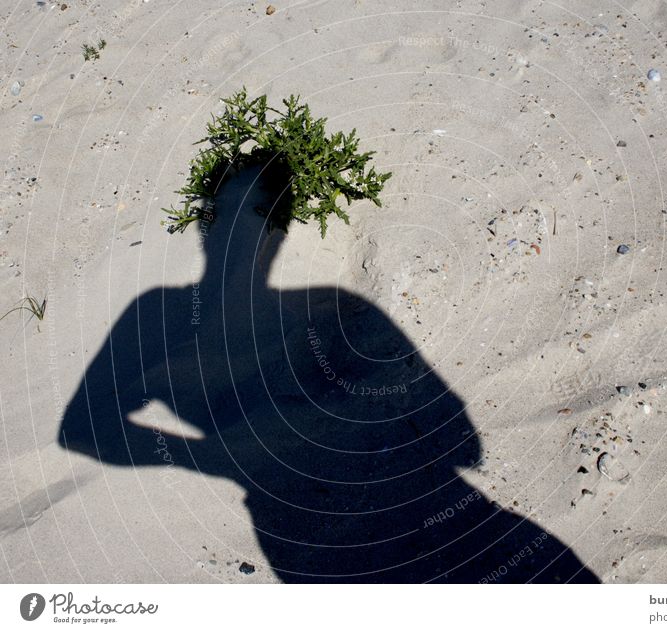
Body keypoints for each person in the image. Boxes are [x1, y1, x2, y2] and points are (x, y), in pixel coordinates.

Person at [59, 167, 598, 583]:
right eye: (237, 213)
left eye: (263, 214)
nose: (247, 236)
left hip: (428, 521)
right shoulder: (169, 314)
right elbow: (81, 428)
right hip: (341, 533)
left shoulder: (325, 305)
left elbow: (464, 443)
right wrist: (223, 454)